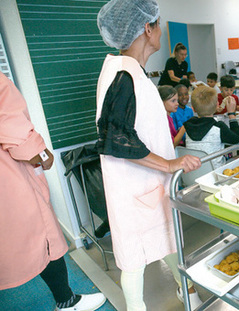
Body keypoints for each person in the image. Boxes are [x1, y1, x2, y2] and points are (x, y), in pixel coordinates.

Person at [96, 1, 202, 309]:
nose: (160, 31)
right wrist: (170, 163)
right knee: (135, 259)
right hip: (134, 189)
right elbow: (116, 138)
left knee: (167, 238)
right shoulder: (124, 76)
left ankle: (187, 291)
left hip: (150, 185)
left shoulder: (132, 73)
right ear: (147, 28)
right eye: (158, 24)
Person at [0, 72, 106, 311]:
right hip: (8, 181)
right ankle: (67, 301)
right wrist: (44, 156)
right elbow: (17, 137)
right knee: (45, 236)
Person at [184, 86, 239, 168]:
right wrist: (231, 114)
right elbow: (237, 139)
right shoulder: (218, 127)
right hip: (215, 174)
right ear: (217, 105)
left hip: (193, 174)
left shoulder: (188, 126)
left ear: (193, 108)